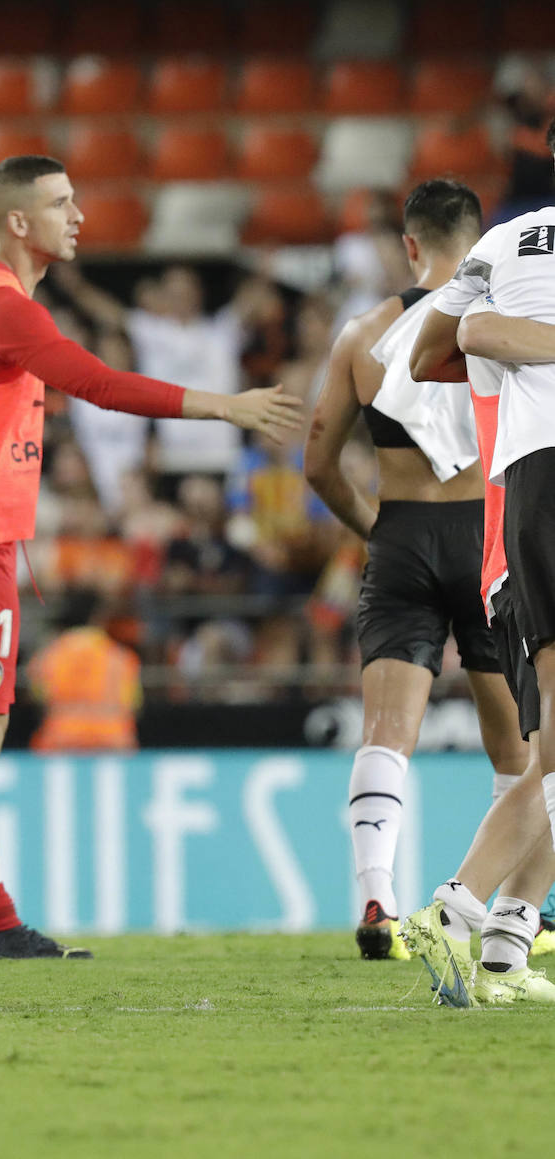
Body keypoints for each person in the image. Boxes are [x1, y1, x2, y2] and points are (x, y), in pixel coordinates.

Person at [0, 155, 299, 958]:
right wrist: (221, 406)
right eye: (60, 203)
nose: (79, 214)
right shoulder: (1, 306)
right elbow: (95, 382)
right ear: (18, 222)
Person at [304, 179, 526, 961]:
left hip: (400, 533)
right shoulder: (502, 324)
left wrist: (375, 528)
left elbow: (320, 462)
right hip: (488, 530)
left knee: (386, 734)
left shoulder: (363, 333)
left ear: (408, 244)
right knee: (520, 746)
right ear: (479, 239)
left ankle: (376, 895)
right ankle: (512, 914)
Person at [397, 298, 555, 1007]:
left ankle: (504, 943)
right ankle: (453, 909)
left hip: (514, 548)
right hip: (518, 549)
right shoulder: (509, 321)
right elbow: (465, 335)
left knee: (550, 759)